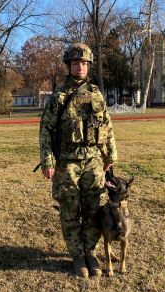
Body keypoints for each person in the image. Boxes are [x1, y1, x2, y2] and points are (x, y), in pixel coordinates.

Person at [39, 43, 117, 278]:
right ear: (69, 66)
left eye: (83, 63)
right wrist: (47, 161)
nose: (79, 67)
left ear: (88, 66)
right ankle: (77, 255)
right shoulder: (58, 97)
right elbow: (46, 129)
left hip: (93, 160)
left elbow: (107, 125)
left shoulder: (96, 93)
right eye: (75, 63)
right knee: (70, 209)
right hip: (67, 162)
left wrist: (111, 154)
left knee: (94, 210)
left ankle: (90, 253)